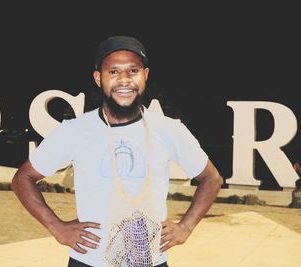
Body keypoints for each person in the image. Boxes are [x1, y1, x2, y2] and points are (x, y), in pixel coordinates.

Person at [12, 35, 222, 267]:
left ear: (145, 76)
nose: (124, 79)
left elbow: (211, 178)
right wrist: (56, 227)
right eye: (113, 71)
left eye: (133, 71)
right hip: (89, 260)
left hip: (150, 259)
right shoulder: (74, 130)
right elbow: (23, 178)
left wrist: (186, 226)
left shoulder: (169, 129)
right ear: (98, 78)